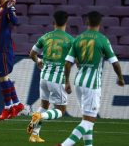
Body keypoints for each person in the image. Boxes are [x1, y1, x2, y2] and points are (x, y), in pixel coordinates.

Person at [56, 11, 125, 146]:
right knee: (89, 121)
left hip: (79, 82)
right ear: (100, 23)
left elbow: (68, 63)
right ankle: (65, 145)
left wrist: (67, 82)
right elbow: (115, 63)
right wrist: (120, 78)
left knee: (86, 118)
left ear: (87, 22)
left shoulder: (78, 39)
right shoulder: (102, 39)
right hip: (92, 85)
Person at [27, 11, 74, 143]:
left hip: (44, 77)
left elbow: (32, 53)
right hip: (57, 79)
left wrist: (38, 61)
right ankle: (39, 116)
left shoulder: (45, 37)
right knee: (61, 109)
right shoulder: (71, 40)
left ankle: (34, 135)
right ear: (66, 22)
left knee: (44, 104)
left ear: (53, 22)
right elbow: (73, 61)